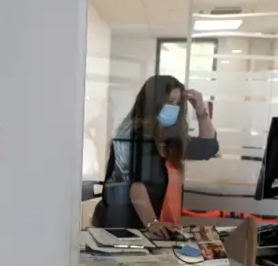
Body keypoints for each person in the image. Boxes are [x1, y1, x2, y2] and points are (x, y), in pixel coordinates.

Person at [92, 75, 219, 239]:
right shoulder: (134, 134)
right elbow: (137, 185)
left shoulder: (169, 138)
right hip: (125, 229)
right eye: (169, 101)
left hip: (155, 230)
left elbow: (208, 147)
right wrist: (152, 223)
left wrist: (200, 108)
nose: (173, 108)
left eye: (177, 103)